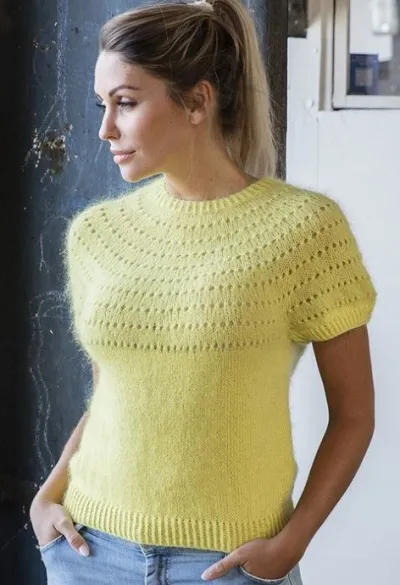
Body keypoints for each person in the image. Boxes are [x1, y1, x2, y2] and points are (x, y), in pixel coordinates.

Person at [29, 0, 377, 583]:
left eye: (125, 103)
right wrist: (47, 495)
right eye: (101, 105)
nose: (105, 128)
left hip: (226, 566)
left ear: (197, 101)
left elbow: (355, 414)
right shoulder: (96, 233)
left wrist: (291, 543)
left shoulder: (305, 229)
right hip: (87, 553)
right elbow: (111, 394)